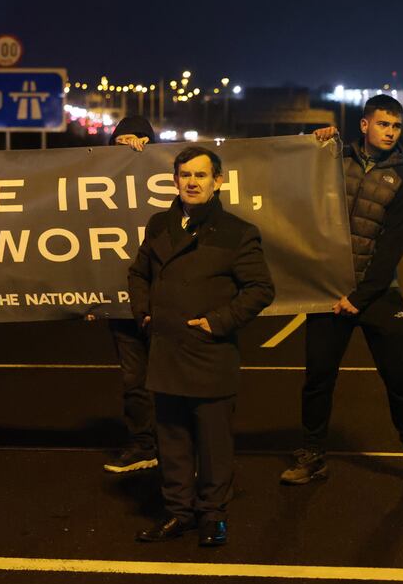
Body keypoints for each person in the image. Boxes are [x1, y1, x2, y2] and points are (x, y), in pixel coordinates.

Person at [280, 95, 403, 489]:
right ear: (365, 125)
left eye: (397, 126)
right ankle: (313, 454)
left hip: (379, 292)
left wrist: (360, 296)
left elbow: (392, 248)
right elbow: (284, 175)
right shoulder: (333, 159)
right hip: (330, 288)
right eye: (384, 124)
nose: (390, 132)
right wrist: (312, 141)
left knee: (399, 377)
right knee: (318, 376)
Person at [129, 146, 274, 547]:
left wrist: (218, 322)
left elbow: (261, 289)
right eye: (185, 175)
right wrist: (144, 312)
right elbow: (138, 273)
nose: (192, 182)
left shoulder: (237, 232)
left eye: (201, 176)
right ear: (174, 180)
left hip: (210, 355)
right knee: (172, 443)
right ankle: (179, 513)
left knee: (213, 446)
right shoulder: (159, 224)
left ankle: (213, 516)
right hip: (166, 352)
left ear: (218, 181)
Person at [102, 116, 159, 473]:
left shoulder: (166, 182)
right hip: (122, 304)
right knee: (133, 379)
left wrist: (148, 159)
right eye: (120, 140)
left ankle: (180, 445)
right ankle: (142, 443)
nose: (128, 145)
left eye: (136, 139)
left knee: (172, 376)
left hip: (166, 301)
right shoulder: (96, 181)